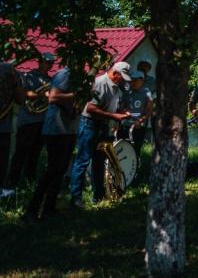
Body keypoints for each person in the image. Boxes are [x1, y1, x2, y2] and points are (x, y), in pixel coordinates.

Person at [69, 61, 131, 208]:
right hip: (89, 124)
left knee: (99, 161)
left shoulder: (117, 86)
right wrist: (114, 116)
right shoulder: (100, 83)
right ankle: (76, 198)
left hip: (103, 125)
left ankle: (99, 196)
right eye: (121, 77)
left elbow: (111, 106)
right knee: (83, 161)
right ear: (115, 73)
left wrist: (121, 112)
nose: (123, 80)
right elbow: (91, 108)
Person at [24, 64, 78, 221]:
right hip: (55, 130)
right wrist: (75, 95)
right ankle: (31, 210)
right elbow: (53, 97)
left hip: (68, 129)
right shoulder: (64, 74)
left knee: (60, 171)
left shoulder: (78, 77)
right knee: (52, 170)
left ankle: (49, 208)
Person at [7, 53, 55, 188]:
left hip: (42, 121)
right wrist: (42, 94)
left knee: (35, 152)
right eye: (46, 62)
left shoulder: (51, 80)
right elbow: (24, 93)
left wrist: (49, 96)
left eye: (51, 63)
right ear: (40, 62)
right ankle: (12, 182)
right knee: (21, 152)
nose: (49, 65)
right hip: (27, 121)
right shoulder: (29, 76)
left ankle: (29, 181)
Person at [0, 61, 26, 198]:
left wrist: (15, 83)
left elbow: (20, 100)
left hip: (4, 126)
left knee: (2, 162)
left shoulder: (10, 71)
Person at [118, 71, 153, 155]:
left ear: (142, 81)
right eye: (132, 80)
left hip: (138, 126)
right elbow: (121, 107)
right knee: (121, 149)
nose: (133, 82)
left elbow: (149, 110)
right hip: (125, 125)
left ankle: (136, 162)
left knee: (135, 150)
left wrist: (140, 121)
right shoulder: (127, 92)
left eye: (136, 80)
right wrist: (123, 111)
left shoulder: (146, 93)